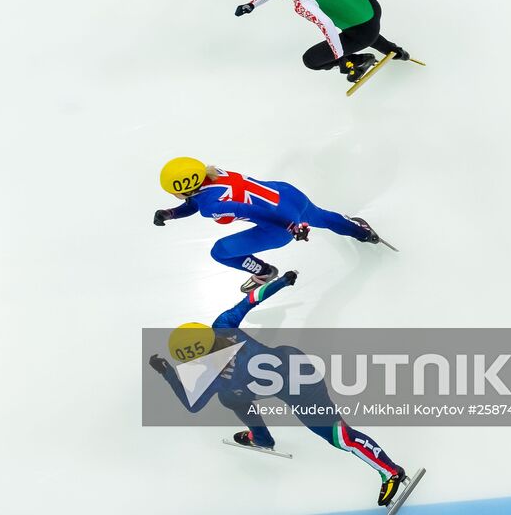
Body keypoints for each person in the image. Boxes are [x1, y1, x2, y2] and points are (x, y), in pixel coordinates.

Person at [149, 271, 410, 508]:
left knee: (339, 436)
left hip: (300, 385)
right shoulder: (221, 327)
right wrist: (282, 281)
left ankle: (390, 471)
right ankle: (261, 438)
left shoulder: (212, 371)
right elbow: (252, 299)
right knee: (230, 398)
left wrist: (167, 372)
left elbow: (192, 405)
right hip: (288, 367)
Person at [153, 156, 382, 290]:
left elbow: (249, 209)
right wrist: (170, 214)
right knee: (320, 216)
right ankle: (361, 232)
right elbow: (198, 200)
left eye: (174, 192)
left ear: (185, 188)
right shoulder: (212, 172)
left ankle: (264, 272)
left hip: (278, 223)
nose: (174, 196)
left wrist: (290, 227)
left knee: (220, 252)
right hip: (287, 194)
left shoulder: (210, 207)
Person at [235, 0, 410, 83]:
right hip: (368, 4)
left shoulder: (302, 2)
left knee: (311, 60)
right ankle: (395, 51)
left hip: (363, 29)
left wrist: (341, 58)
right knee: (359, 31)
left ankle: (359, 61)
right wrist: (252, 4)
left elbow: (327, 26)